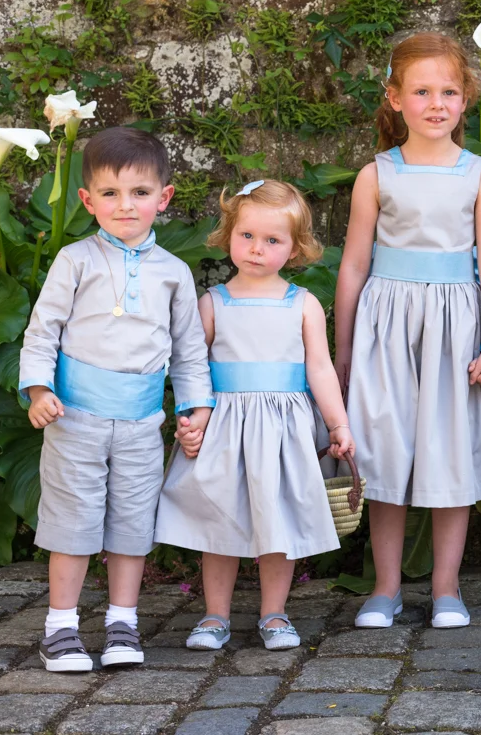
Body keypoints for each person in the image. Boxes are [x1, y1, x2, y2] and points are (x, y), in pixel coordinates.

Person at [334, 33, 481, 630]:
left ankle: (446, 587)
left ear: (466, 99)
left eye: (448, 91)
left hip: (456, 329)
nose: (436, 103)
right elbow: (354, 264)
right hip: (387, 327)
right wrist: (342, 353)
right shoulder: (376, 175)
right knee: (385, 453)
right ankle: (386, 587)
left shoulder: (480, 175)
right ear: (395, 99)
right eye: (421, 91)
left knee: (451, 454)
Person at [19, 127, 215, 671]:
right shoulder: (74, 260)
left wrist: (193, 410)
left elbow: (189, 351)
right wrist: (39, 389)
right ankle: (60, 627)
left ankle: (122, 624)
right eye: (109, 194)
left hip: (141, 423)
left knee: (132, 522)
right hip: (74, 417)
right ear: (87, 200)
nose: (124, 206)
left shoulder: (175, 274)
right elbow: (42, 331)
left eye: (139, 193)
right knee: (74, 520)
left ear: (164, 197)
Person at [155, 179, 352, 651]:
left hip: (283, 430)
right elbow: (190, 366)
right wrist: (189, 419)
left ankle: (274, 614)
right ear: (229, 235)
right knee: (218, 520)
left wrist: (338, 424)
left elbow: (320, 368)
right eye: (247, 236)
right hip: (224, 427)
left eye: (272, 240)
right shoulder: (214, 303)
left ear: (295, 247)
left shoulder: (301, 304)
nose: (257, 249)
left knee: (277, 521)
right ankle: (214, 615)